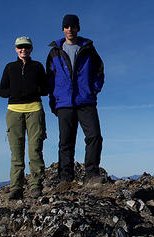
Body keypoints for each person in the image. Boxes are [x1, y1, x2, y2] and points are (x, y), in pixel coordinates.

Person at [46, 14, 105, 184]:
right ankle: (65, 178)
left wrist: (92, 90)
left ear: (78, 28)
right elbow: (50, 79)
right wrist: (54, 101)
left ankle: (92, 174)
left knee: (94, 136)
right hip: (64, 103)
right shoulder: (55, 52)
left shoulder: (88, 48)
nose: (70, 29)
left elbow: (99, 71)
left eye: (73, 26)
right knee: (66, 141)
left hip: (85, 101)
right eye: (67, 26)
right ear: (63, 29)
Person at [0, 36, 48, 200]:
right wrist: (14, 91)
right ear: (15, 49)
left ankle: (36, 186)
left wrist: (34, 89)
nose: (23, 49)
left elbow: (46, 88)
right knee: (16, 152)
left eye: (26, 47)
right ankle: (16, 188)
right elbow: (1, 91)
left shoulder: (37, 66)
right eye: (20, 47)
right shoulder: (10, 67)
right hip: (14, 111)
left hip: (35, 109)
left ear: (31, 49)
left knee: (35, 150)